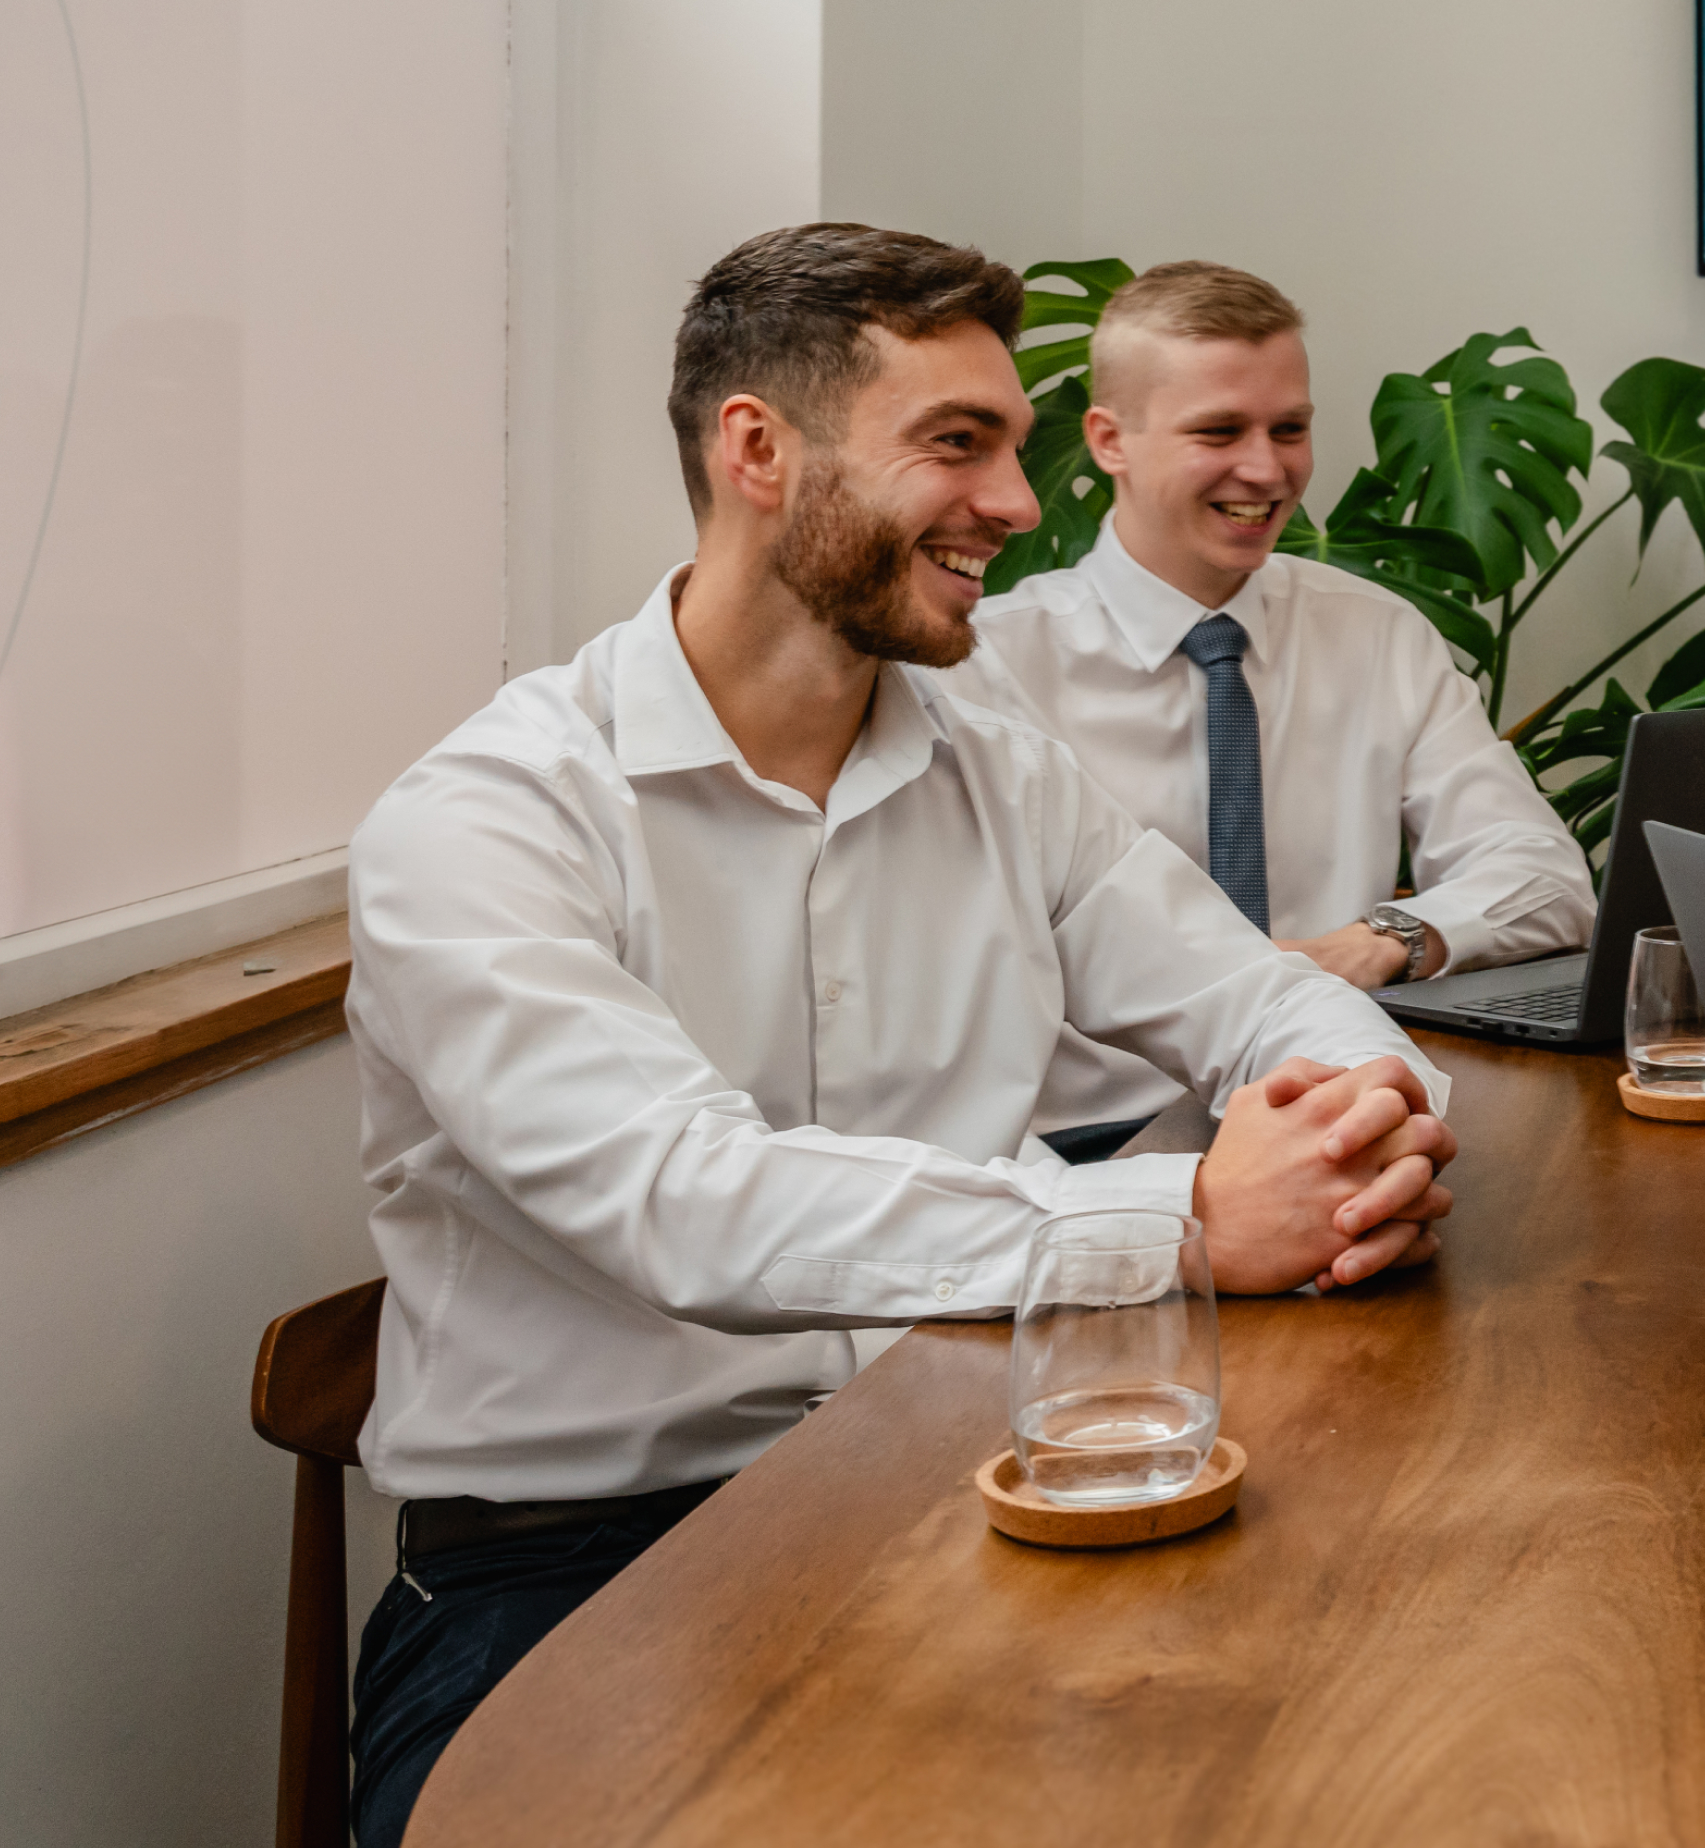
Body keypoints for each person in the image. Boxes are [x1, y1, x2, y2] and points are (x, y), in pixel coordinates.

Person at [337, 224, 1461, 1848]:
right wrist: (1186, 1216)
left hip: (964, 1472)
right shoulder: (484, 822)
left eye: (1012, 444)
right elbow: (685, 1199)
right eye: (959, 443)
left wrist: (1364, 1104)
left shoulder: (997, 761)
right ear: (757, 453)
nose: (1017, 502)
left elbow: (1251, 988)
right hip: (576, 1565)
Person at [948, 261, 1593, 1156]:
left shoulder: (1375, 636)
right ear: (1108, 440)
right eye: (1219, 430)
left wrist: (1377, 942)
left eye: (1289, 429)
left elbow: (1547, 879)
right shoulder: (983, 663)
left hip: (1337, 1109)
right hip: (1090, 1148)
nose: (1267, 468)